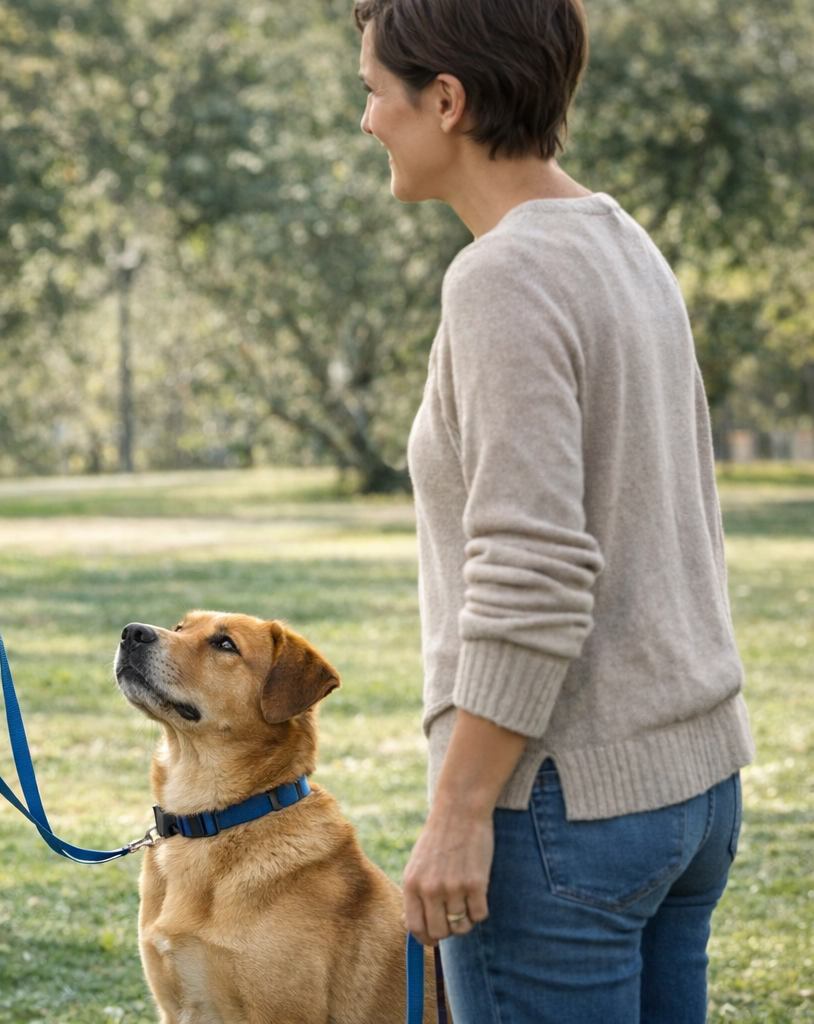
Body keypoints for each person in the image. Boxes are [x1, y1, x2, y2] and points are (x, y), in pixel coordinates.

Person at [353, 1, 754, 1021]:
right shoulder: (620, 240)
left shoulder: (502, 276)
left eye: (372, 94)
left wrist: (458, 812)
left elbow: (533, 571)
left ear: (445, 100)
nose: (366, 122)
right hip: (691, 789)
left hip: (561, 808)